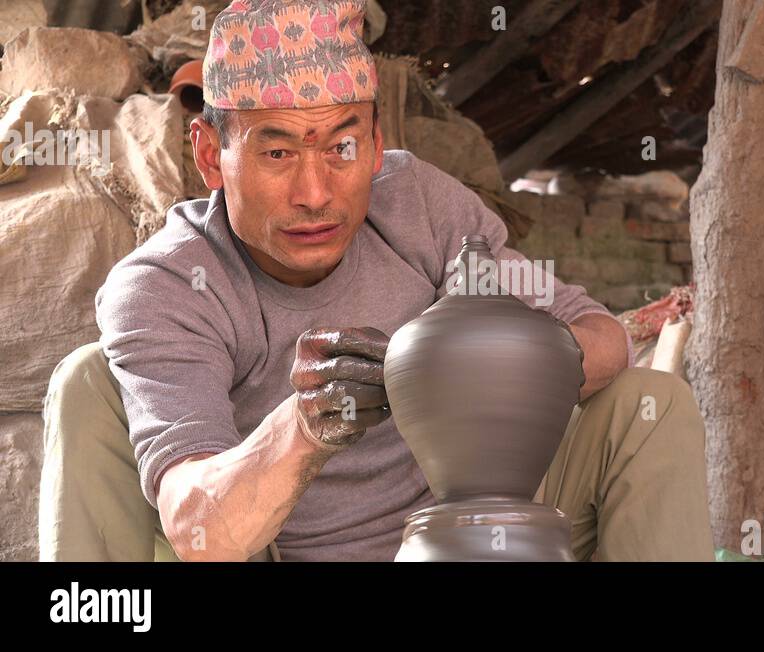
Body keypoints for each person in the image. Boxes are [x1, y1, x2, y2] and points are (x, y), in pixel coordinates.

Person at [39, 0, 713, 562]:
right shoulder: (166, 285)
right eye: (277, 151)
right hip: (281, 550)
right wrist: (307, 425)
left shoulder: (416, 203)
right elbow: (199, 529)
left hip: (466, 533)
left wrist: (513, 364)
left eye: (342, 147)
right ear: (212, 156)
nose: (315, 192)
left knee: (649, 406)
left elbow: (602, 336)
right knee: (85, 380)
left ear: (376, 140)